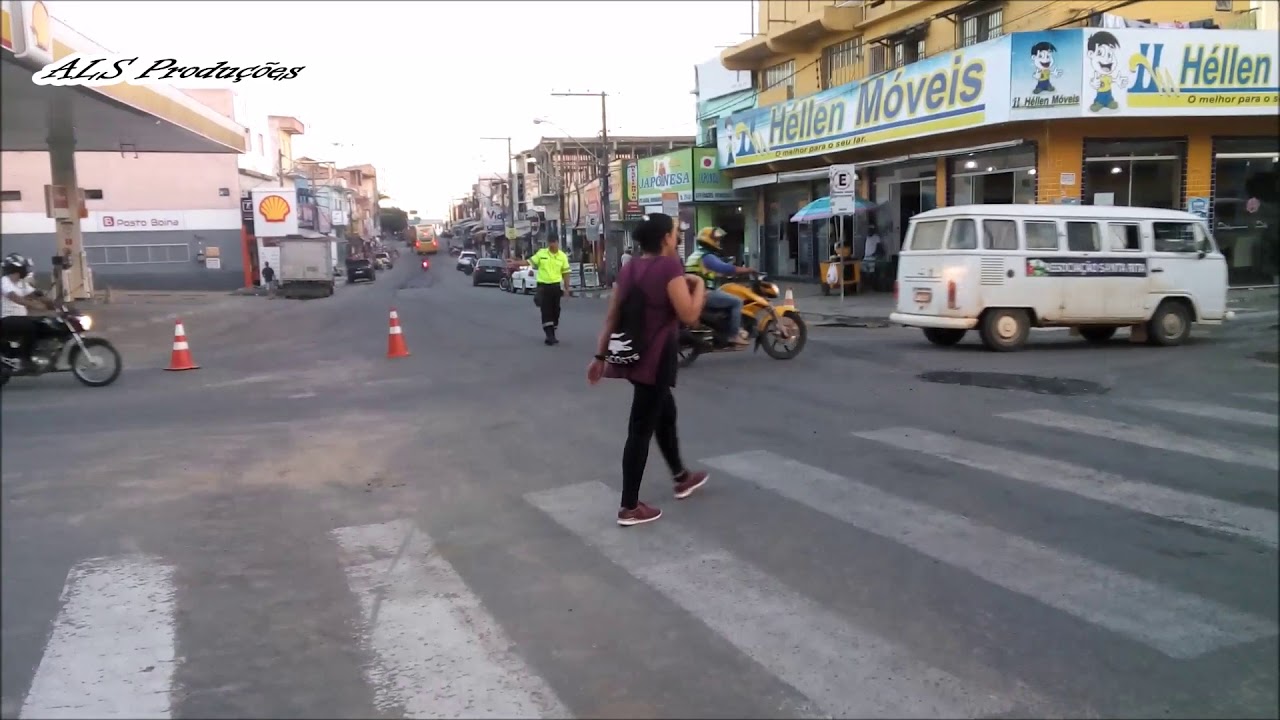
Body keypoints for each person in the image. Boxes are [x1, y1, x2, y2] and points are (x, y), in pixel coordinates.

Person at [588, 213, 710, 526]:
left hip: (636, 357)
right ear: (666, 238)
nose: (677, 237)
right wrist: (700, 287)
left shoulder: (629, 269)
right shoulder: (670, 266)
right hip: (657, 359)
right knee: (640, 428)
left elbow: (611, 317)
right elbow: (689, 315)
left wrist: (600, 356)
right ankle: (629, 506)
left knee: (664, 414)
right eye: (674, 232)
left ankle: (681, 476)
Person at [685, 227, 751, 347]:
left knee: (724, 293)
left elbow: (713, 270)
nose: (718, 242)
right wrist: (748, 270)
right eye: (716, 240)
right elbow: (725, 268)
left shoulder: (696, 255)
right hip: (704, 293)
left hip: (693, 293)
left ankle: (723, 329)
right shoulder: (707, 257)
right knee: (737, 302)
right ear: (709, 240)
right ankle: (734, 335)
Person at [1, 253, 55, 369]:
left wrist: (52, 303)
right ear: (16, 268)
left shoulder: (21, 283)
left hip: (20, 318)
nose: (26, 270)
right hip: (7, 319)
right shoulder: (5, 281)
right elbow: (14, 297)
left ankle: (43, 354)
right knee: (30, 327)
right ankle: (25, 360)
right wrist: (35, 305)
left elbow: (34, 294)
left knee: (45, 324)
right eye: (24, 268)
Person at [528, 236, 572, 345]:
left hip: (556, 287)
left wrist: (567, 288)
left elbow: (566, 273)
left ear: (557, 242)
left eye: (553, 242)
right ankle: (549, 335)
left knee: (556, 311)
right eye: (550, 242)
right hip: (543, 286)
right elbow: (530, 262)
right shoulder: (542, 253)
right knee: (546, 311)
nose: (551, 244)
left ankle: (551, 332)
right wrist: (516, 263)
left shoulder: (562, 256)